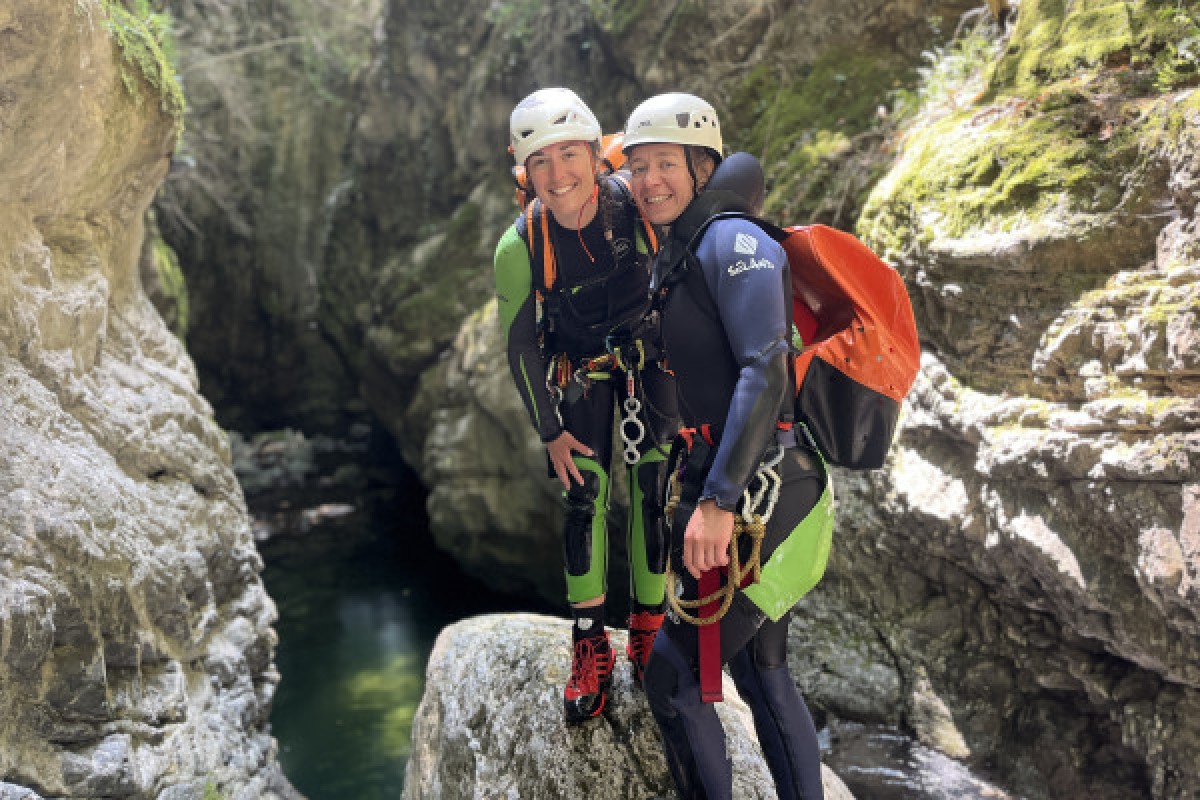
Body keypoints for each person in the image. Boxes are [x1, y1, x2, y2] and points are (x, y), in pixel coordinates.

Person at [623, 92, 834, 799]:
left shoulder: (731, 241)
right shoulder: (680, 250)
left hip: (760, 489)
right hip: (741, 482)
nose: (650, 179)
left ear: (703, 168)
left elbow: (765, 366)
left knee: (675, 675)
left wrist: (716, 503)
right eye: (639, 165)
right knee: (759, 667)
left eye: (666, 164)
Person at [493, 88, 679, 725]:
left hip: (651, 366)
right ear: (525, 172)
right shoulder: (521, 245)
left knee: (652, 492)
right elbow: (520, 342)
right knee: (585, 498)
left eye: (569, 154)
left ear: (596, 157)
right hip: (578, 374)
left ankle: (650, 633)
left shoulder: (640, 207)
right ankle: (590, 642)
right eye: (541, 162)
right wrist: (549, 428)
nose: (558, 174)